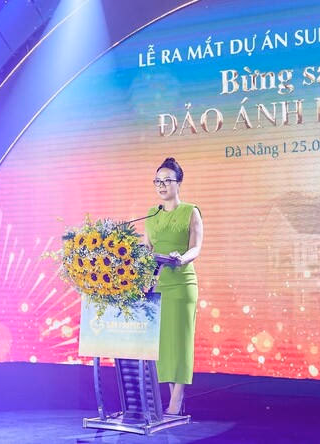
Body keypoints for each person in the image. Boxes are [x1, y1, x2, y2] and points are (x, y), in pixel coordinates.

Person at [143, 157, 203, 415]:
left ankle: (176, 401)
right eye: (158, 181)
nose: (161, 185)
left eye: (167, 180)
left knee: (180, 341)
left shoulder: (191, 211)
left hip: (181, 283)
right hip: (159, 285)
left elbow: (196, 248)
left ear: (179, 183)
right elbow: (147, 249)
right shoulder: (152, 214)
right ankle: (171, 398)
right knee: (164, 344)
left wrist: (182, 259)